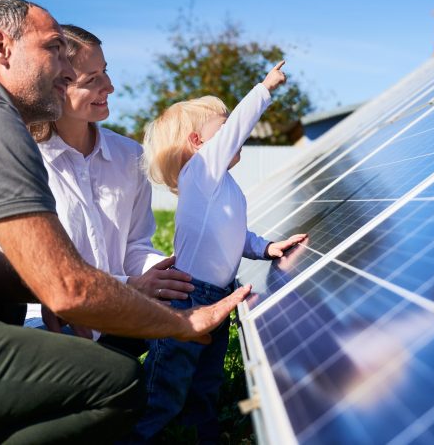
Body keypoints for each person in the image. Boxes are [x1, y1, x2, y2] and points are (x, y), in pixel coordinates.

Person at [0, 0, 250, 443]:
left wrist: (150, 282)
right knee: (121, 381)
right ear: (1, 47)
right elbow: (63, 287)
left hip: (49, 311)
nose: (64, 69)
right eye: (53, 50)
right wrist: (180, 322)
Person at [131, 60, 307, 442]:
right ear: (198, 142)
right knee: (166, 386)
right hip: (189, 297)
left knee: (205, 381)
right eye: (223, 129)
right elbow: (241, 125)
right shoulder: (202, 173)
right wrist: (265, 88)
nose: (233, 134)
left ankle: (204, 435)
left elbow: (235, 235)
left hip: (219, 297)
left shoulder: (224, 185)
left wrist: (266, 248)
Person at [25, 24, 195, 355]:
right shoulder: (26, 160)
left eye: (105, 72)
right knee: (101, 371)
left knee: (194, 309)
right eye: (92, 80)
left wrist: (165, 274)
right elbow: (30, 269)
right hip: (51, 319)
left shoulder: (129, 156)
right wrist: (130, 287)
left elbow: (135, 245)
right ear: (57, 86)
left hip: (121, 314)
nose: (110, 87)